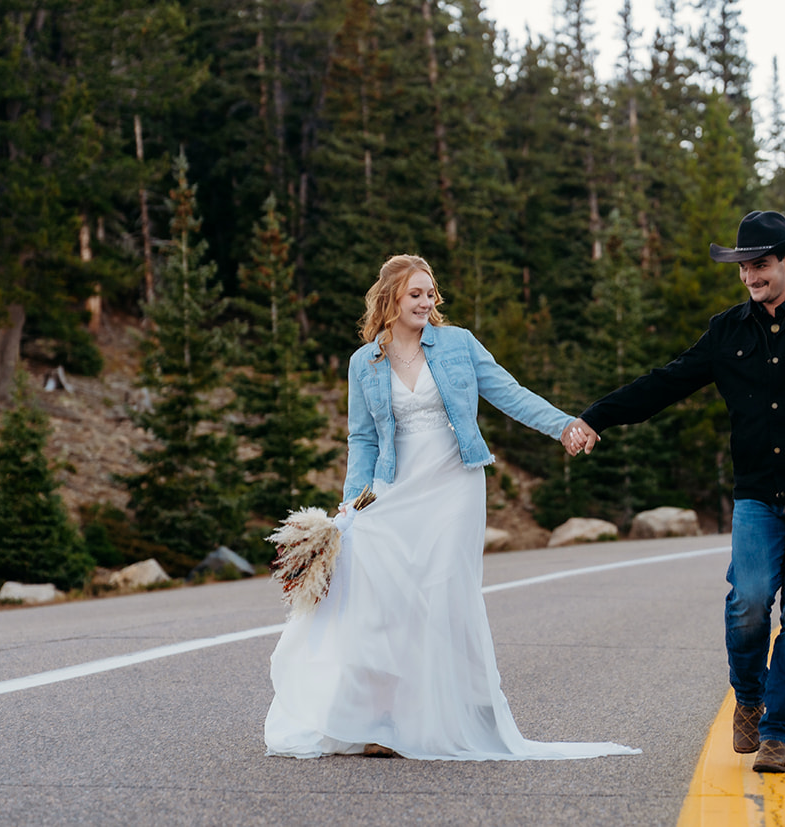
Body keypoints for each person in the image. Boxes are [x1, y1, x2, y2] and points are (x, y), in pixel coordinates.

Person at [264, 254, 638, 762]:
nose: (426, 302)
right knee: (386, 601)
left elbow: (510, 393)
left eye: (430, 293)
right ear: (392, 298)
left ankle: (429, 722)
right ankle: (380, 721)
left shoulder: (458, 344)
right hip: (393, 490)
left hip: (454, 486)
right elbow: (362, 436)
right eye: (415, 293)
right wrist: (351, 503)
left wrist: (565, 425)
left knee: (441, 596)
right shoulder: (364, 362)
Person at [567, 211, 785, 773]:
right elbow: (665, 382)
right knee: (747, 604)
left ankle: (777, 732)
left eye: (761, 265)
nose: (750, 277)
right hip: (758, 495)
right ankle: (748, 696)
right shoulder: (727, 332)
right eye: (744, 267)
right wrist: (599, 416)